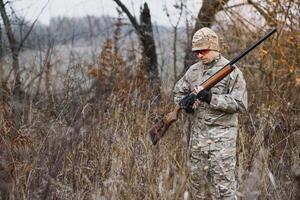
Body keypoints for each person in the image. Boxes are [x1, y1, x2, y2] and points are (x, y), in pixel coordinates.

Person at [173, 27, 247, 199]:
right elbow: (178, 92)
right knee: (197, 188)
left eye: (203, 51)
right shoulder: (193, 71)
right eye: (196, 52)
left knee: (224, 190)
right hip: (198, 141)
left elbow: (240, 104)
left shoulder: (232, 72)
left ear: (214, 47)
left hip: (222, 143)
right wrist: (186, 106)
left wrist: (210, 98)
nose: (199, 55)